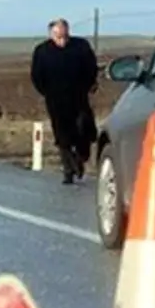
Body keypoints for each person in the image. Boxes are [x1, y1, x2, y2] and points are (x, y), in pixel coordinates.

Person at [30, 18, 99, 184]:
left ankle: (81, 157)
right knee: (62, 135)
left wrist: (90, 84)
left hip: (79, 96)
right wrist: (46, 92)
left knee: (85, 128)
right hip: (55, 99)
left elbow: (92, 67)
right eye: (58, 37)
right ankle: (68, 170)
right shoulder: (42, 51)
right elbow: (36, 75)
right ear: (51, 35)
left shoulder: (80, 46)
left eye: (65, 36)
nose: (62, 40)